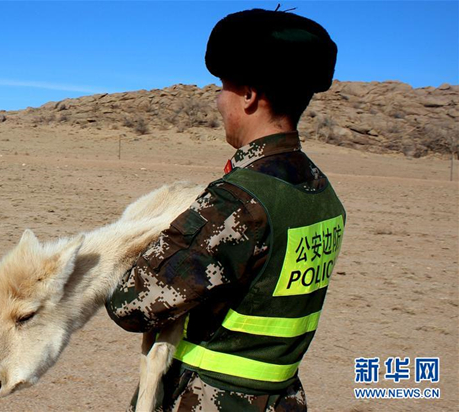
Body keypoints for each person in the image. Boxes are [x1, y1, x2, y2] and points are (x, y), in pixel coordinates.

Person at [106, 8, 345, 412]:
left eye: (222, 87)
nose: (218, 101)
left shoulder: (239, 201)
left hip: (213, 399)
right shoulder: (322, 192)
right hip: (281, 399)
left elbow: (131, 305)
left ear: (249, 96)